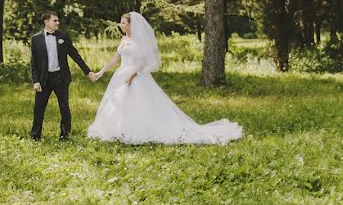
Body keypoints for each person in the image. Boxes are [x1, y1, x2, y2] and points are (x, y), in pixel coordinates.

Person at [87, 12, 243, 144]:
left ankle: (141, 130)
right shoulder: (123, 40)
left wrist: (132, 76)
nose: (121, 25)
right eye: (121, 23)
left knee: (139, 104)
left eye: (123, 23)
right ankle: (118, 129)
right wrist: (101, 72)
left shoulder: (138, 42)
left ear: (130, 25)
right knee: (119, 104)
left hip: (136, 77)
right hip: (121, 75)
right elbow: (115, 59)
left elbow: (144, 61)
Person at [30, 10, 98, 140]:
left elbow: (75, 55)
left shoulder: (63, 37)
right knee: (39, 108)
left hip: (61, 78)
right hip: (44, 79)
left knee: (64, 107)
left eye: (57, 20)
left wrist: (88, 72)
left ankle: (64, 135)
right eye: (55, 20)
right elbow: (34, 63)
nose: (58, 23)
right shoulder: (36, 39)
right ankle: (35, 136)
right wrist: (36, 81)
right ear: (46, 22)